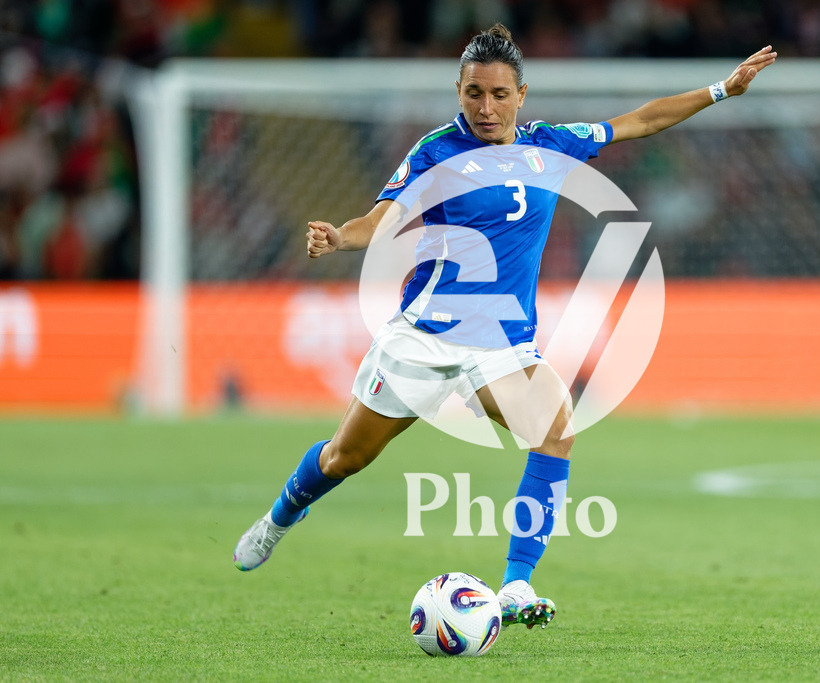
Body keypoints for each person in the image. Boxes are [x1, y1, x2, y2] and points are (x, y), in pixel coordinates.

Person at [233, 24, 776, 631]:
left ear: (522, 94)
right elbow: (380, 220)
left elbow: (642, 121)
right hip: (426, 336)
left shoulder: (553, 144)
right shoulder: (436, 152)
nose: (485, 107)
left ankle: (516, 583)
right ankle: (280, 517)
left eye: (497, 94)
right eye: (472, 94)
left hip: (502, 340)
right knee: (344, 458)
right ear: (458, 92)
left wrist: (722, 90)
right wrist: (340, 238)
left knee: (555, 430)